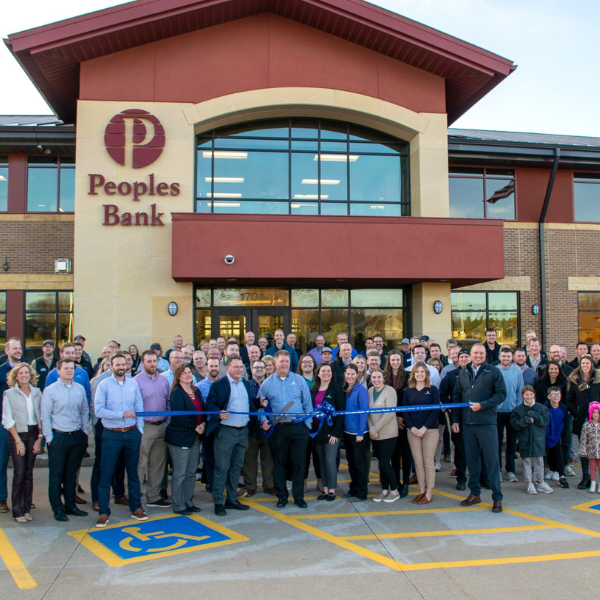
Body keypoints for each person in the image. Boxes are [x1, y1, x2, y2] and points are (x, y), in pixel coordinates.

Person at [94, 353, 147, 527]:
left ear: (127, 366)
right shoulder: (104, 385)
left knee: (133, 472)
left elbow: (139, 408)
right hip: (111, 434)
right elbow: (99, 411)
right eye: (117, 365)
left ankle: (136, 507)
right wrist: (121, 415)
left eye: (123, 364)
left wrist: (139, 430)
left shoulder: (133, 384)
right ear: (111, 366)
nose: (121, 367)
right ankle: (103, 511)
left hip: (132, 433)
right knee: (106, 473)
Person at [453, 343, 506, 513]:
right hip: (468, 424)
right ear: (470, 355)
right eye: (475, 353)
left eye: (481, 353)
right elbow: (457, 396)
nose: (477, 356)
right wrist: (455, 419)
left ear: (485, 355)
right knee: (472, 461)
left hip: (486, 423)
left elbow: (501, 394)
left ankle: (497, 497)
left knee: (492, 462)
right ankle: (474, 493)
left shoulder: (493, 372)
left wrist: (482, 406)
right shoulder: (463, 371)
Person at [259, 350, 312, 509]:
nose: (284, 364)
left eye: (287, 362)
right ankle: (282, 496)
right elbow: (261, 407)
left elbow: (307, 404)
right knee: (279, 463)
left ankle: (298, 497)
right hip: (278, 430)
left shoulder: (299, 380)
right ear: (275, 363)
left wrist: (307, 426)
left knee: (299, 463)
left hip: (298, 428)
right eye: (281, 361)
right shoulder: (267, 383)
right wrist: (263, 421)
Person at [41, 358, 90, 521]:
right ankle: (58, 509)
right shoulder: (50, 390)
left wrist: (85, 432)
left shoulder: (80, 388)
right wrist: (49, 438)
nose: (70, 371)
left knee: (71, 475)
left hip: (77, 437)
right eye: (66, 368)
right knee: (56, 475)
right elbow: (45, 415)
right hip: (58, 437)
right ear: (58, 371)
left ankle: (70, 506)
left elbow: (84, 411)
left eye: (72, 368)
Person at [206, 356, 252, 516]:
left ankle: (232, 499)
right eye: (236, 367)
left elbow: (250, 405)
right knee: (222, 468)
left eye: (241, 367)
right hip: (226, 431)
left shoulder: (246, 384)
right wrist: (218, 413)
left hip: (243, 431)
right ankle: (218, 501)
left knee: (236, 468)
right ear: (227, 368)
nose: (239, 370)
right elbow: (210, 404)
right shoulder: (219, 385)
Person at [1, 363, 42, 522]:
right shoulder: (9, 394)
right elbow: (7, 419)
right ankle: (17, 511)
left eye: (27, 372)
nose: (25, 375)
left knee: (28, 473)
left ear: (31, 375)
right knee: (19, 472)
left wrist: (39, 438)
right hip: (17, 434)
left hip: (33, 434)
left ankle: (26, 509)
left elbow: (41, 416)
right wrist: (18, 441)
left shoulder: (37, 392)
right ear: (16, 376)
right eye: (21, 373)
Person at [165, 364, 206, 514]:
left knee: (190, 472)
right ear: (178, 376)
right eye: (184, 373)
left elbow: (203, 409)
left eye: (189, 372)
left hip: (195, 436)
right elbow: (179, 414)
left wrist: (203, 423)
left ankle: (188, 501)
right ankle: (178, 504)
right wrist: (194, 426)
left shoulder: (196, 391)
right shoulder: (176, 392)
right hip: (180, 437)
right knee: (180, 472)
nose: (188, 375)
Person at [135, 350, 172, 508]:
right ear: (142, 363)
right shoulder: (136, 381)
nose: (152, 364)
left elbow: (168, 403)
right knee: (140, 464)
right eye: (148, 361)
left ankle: (154, 497)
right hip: (145, 427)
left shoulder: (163, 380)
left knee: (158, 464)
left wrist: (168, 423)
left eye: (154, 361)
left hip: (161, 426)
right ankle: (135, 498)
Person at [404, 363, 441, 505]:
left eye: (422, 371)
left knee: (428, 462)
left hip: (429, 430)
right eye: (417, 371)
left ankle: (429, 492)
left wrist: (424, 427)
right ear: (413, 374)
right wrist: (412, 427)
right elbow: (405, 410)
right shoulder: (408, 390)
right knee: (418, 463)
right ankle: (421, 491)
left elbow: (435, 410)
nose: (420, 374)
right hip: (412, 431)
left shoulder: (433, 390)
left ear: (426, 374)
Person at [311, 363, 345, 501]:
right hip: (317, 432)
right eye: (323, 371)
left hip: (331, 433)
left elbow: (341, 413)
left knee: (330, 461)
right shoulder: (313, 390)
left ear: (332, 374)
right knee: (321, 462)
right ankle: (324, 489)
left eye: (328, 371)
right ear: (318, 374)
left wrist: (336, 433)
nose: (326, 373)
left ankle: (332, 490)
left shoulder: (337, 389)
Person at [566, 354, 600, 490]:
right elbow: (569, 400)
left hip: (597, 422)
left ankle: (596, 479)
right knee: (585, 450)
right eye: (583, 364)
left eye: (588, 363)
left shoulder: (598, 380)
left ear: (592, 365)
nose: (585, 366)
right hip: (582, 421)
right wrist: (577, 412)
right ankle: (586, 477)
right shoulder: (575, 381)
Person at [511, 386, 552, 494]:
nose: (529, 397)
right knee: (527, 461)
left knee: (539, 460)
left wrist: (534, 415)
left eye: (531, 394)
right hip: (525, 439)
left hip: (538, 439)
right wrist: (525, 420)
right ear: (522, 396)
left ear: (534, 395)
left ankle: (540, 482)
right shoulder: (517, 410)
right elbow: (515, 424)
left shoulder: (542, 408)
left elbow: (545, 421)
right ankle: (529, 483)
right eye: (526, 394)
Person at [243, 360, 275, 496]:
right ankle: (250, 486)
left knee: (268, 459)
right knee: (250, 459)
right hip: (251, 427)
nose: (260, 370)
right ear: (251, 369)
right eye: (256, 367)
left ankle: (269, 485)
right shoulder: (246, 385)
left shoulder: (271, 384)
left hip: (269, 427)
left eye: (262, 367)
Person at [368, 369, 399, 503]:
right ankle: (385, 490)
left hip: (388, 433)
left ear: (383, 378)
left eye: (379, 377)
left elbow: (389, 413)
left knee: (385, 463)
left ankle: (394, 490)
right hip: (375, 433)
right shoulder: (369, 391)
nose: (376, 379)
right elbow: (367, 412)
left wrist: (375, 428)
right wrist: (371, 429)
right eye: (374, 377)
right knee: (381, 464)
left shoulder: (390, 391)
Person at [0, 338, 24, 513]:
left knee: (23, 464)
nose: (18, 350)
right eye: (14, 348)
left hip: (24, 424)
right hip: (4, 425)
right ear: (7, 351)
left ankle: (23, 498)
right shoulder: (1, 371)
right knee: (1, 462)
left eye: (20, 348)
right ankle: (2, 498)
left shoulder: (27, 371)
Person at [442, 349, 471, 490]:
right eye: (462, 357)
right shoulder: (451, 376)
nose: (464, 359)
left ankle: (480, 477)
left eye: (466, 356)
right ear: (457, 360)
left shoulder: (477, 374)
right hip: (458, 418)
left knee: (476, 450)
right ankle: (461, 479)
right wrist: (449, 408)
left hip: (475, 417)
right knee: (460, 449)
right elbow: (443, 394)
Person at [383, 350, 409, 497]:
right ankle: (396, 482)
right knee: (393, 453)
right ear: (389, 361)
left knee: (405, 453)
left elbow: (408, 399)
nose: (395, 362)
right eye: (392, 360)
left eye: (397, 360)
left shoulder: (407, 376)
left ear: (401, 361)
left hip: (403, 421)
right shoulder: (384, 376)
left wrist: (400, 417)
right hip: (388, 421)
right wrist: (393, 417)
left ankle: (405, 483)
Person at [495, 347, 524, 483]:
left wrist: (517, 409)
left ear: (511, 357)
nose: (506, 358)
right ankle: (498, 470)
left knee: (511, 443)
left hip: (512, 412)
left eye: (508, 356)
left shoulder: (517, 371)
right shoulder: (495, 371)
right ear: (499, 357)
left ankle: (511, 471)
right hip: (497, 413)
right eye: (503, 356)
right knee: (497, 443)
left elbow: (520, 391)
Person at [342, 364, 370, 502]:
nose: (350, 376)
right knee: (351, 463)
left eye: (353, 374)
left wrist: (360, 433)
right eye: (348, 374)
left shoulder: (361, 390)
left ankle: (362, 492)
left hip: (358, 433)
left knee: (360, 463)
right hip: (347, 432)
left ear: (357, 375)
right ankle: (353, 489)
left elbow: (364, 412)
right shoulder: (346, 389)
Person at [545, 386, 569, 489]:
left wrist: (556, 437)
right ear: (549, 396)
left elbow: (563, 425)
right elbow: (545, 423)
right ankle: (550, 469)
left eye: (558, 394)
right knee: (547, 454)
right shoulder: (545, 407)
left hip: (557, 436)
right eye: (554, 394)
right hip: (547, 436)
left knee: (558, 454)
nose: (556, 397)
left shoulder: (563, 408)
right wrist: (548, 436)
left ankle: (561, 475)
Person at [579, 401, 600, 493]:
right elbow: (583, 439)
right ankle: (593, 482)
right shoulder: (586, 425)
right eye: (593, 412)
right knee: (592, 467)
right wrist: (583, 450)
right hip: (591, 450)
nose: (595, 415)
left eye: (597, 412)